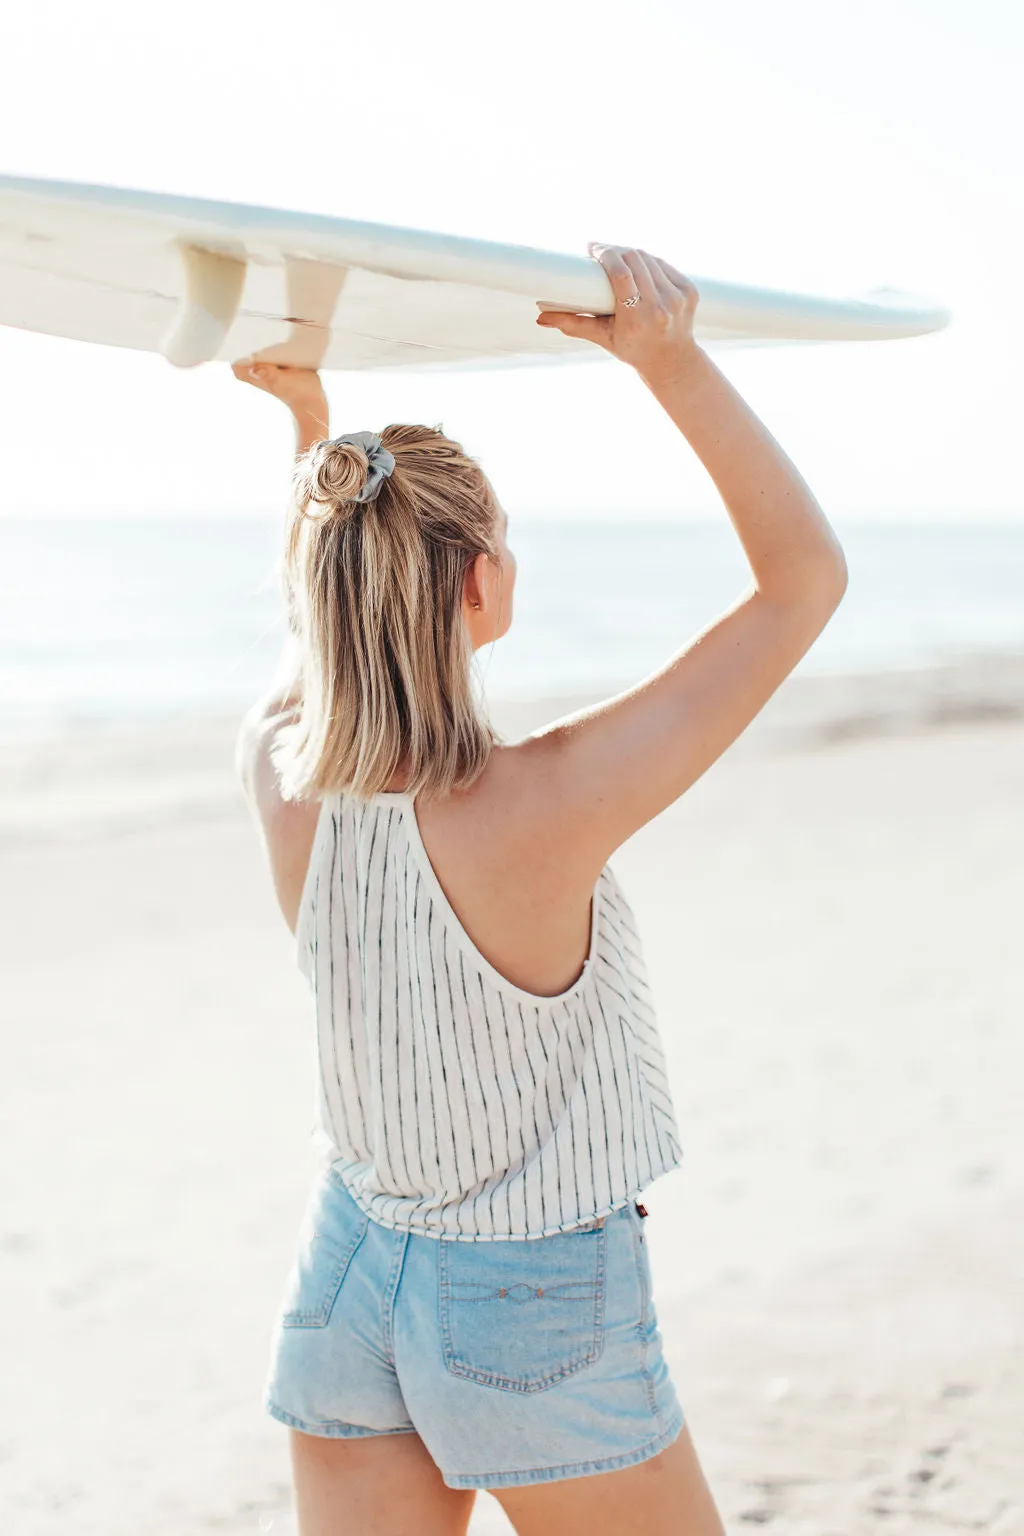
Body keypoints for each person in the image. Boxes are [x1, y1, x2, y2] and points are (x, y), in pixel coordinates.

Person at [234, 242, 848, 1536]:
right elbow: (804, 581)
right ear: (478, 584)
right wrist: (669, 364)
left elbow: (318, 627)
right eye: (501, 541)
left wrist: (308, 425)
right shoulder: (548, 802)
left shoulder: (279, 771)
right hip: (530, 1306)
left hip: (347, 1272)